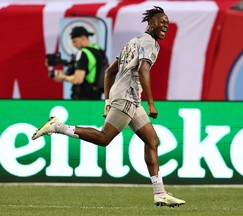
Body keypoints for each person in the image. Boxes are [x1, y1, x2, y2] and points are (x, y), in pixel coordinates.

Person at [32, 6, 185, 207]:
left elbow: (108, 72)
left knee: (152, 140)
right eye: (161, 21)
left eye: (167, 22)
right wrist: (151, 102)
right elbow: (143, 70)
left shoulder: (133, 42)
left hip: (127, 97)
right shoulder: (150, 44)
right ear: (151, 23)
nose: (165, 25)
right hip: (128, 97)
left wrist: (107, 102)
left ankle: (160, 193)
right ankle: (58, 126)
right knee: (104, 138)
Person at [52, 26, 108, 100]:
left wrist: (63, 77)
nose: (73, 45)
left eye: (74, 41)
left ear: (83, 38)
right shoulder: (99, 50)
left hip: (82, 98)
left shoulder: (83, 53)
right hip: (97, 97)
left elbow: (78, 79)